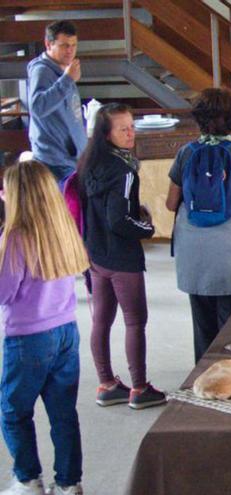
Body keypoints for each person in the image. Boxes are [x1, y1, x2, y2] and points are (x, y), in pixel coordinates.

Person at [0, 160, 89, 494]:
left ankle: (27, 479)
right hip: (66, 331)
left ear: (18, 196)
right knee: (63, 413)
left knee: (12, 410)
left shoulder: (14, 238)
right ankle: (69, 483)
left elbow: (3, 291)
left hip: (27, 338)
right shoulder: (63, 229)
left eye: (6, 189)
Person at [165, 89, 231, 363]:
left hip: (195, 253)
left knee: (202, 322)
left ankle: (203, 374)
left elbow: (171, 203)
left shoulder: (186, 154)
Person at [77, 103, 166, 410]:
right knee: (134, 322)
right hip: (122, 258)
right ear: (106, 134)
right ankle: (140, 388)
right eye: (122, 129)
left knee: (101, 320)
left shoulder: (88, 163)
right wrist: (147, 227)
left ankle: (107, 384)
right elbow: (119, 220)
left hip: (97, 255)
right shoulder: (125, 170)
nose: (131, 133)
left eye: (132, 126)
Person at [26, 21, 86, 182]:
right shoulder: (42, 70)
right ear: (48, 44)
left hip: (71, 159)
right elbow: (38, 107)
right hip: (55, 161)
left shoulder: (64, 69)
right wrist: (67, 80)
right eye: (64, 45)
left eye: (74, 45)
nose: (70, 50)